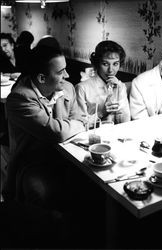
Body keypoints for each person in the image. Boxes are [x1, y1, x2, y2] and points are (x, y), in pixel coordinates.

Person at [3, 43, 87, 209]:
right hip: (33, 163)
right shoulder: (19, 98)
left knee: (89, 190)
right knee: (41, 194)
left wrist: (74, 124)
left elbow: (80, 117)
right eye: (61, 72)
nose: (68, 75)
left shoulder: (68, 88)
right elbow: (54, 132)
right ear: (42, 78)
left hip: (68, 158)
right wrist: (77, 125)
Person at [75, 40, 130, 125]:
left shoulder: (121, 86)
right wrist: (101, 113)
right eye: (105, 64)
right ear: (97, 63)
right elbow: (79, 124)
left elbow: (126, 122)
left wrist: (119, 92)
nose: (111, 70)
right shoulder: (82, 88)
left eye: (115, 64)